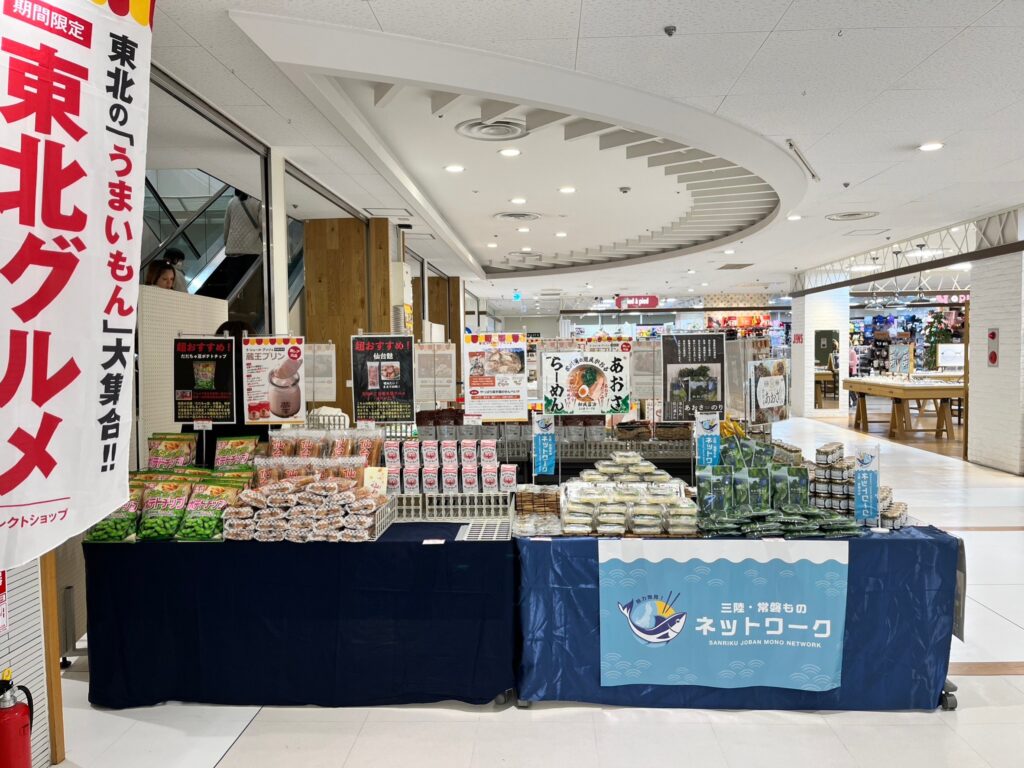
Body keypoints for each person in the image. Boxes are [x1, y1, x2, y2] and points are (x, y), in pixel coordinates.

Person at [181, 320, 269, 466]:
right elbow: (274, 424)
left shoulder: (204, 375)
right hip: (253, 459)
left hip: (208, 459)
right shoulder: (261, 375)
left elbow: (190, 427)